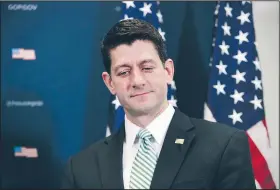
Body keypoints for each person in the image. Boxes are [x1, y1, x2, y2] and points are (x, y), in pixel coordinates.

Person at [60, 19, 256, 189]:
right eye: (123, 72)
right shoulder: (80, 168)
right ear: (110, 83)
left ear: (168, 71)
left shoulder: (224, 146)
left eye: (147, 68)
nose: (137, 81)